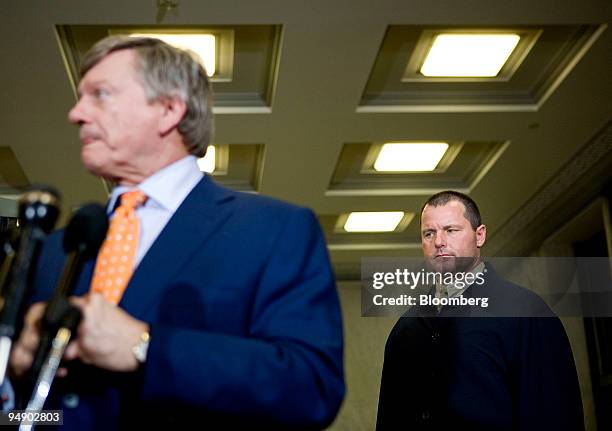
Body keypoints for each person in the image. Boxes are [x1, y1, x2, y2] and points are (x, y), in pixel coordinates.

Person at [9, 36, 345, 429]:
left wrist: (145, 348)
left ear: (169, 110)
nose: (76, 113)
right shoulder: (54, 249)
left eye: (99, 95)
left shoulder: (274, 229)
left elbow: (311, 389)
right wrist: (15, 373)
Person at [376, 191, 584, 431]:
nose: (439, 242)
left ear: (480, 235)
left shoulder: (525, 312)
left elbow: (554, 413)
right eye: (429, 233)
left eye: (451, 230)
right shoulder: (405, 328)